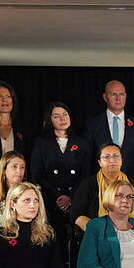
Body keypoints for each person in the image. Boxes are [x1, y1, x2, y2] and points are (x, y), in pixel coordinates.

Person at [31, 101, 91, 253]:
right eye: (56, 116)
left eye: (65, 114)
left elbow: (85, 174)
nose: (62, 119)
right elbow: (37, 174)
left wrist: (70, 197)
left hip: (76, 199)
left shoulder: (81, 143)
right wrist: (58, 196)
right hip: (50, 200)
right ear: (49, 120)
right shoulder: (41, 143)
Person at [70, 143, 134, 232]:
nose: (112, 160)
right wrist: (96, 231)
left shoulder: (133, 184)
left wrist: (127, 229)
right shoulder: (89, 184)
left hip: (129, 233)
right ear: (99, 162)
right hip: (97, 235)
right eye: (107, 157)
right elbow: (76, 214)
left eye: (116, 156)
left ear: (121, 161)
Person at [84, 80, 134, 182]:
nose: (118, 98)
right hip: (101, 184)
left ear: (126, 97)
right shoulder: (92, 125)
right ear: (105, 97)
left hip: (130, 184)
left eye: (121, 94)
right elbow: (87, 160)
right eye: (113, 94)